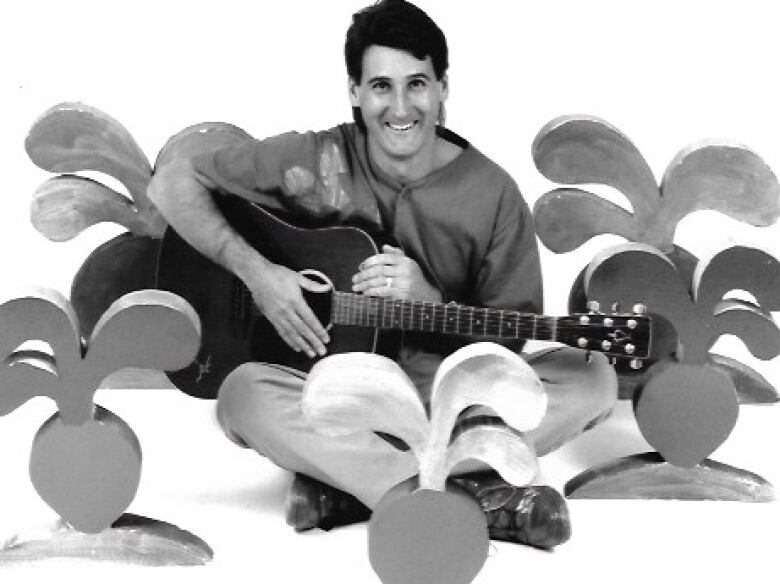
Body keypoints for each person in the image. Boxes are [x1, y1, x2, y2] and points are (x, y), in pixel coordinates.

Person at [148, 0, 616, 549]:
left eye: (416, 83)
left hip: (445, 401)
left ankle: (355, 487)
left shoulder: (494, 194)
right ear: (354, 91)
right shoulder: (313, 157)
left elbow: (509, 347)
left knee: (593, 377)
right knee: (242, 395)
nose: (400, 106)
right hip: (334, 397)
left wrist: (432, 300)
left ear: (443, 88)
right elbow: (171, 184)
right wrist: (259, 274)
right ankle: (468, 497)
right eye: (380, 86)